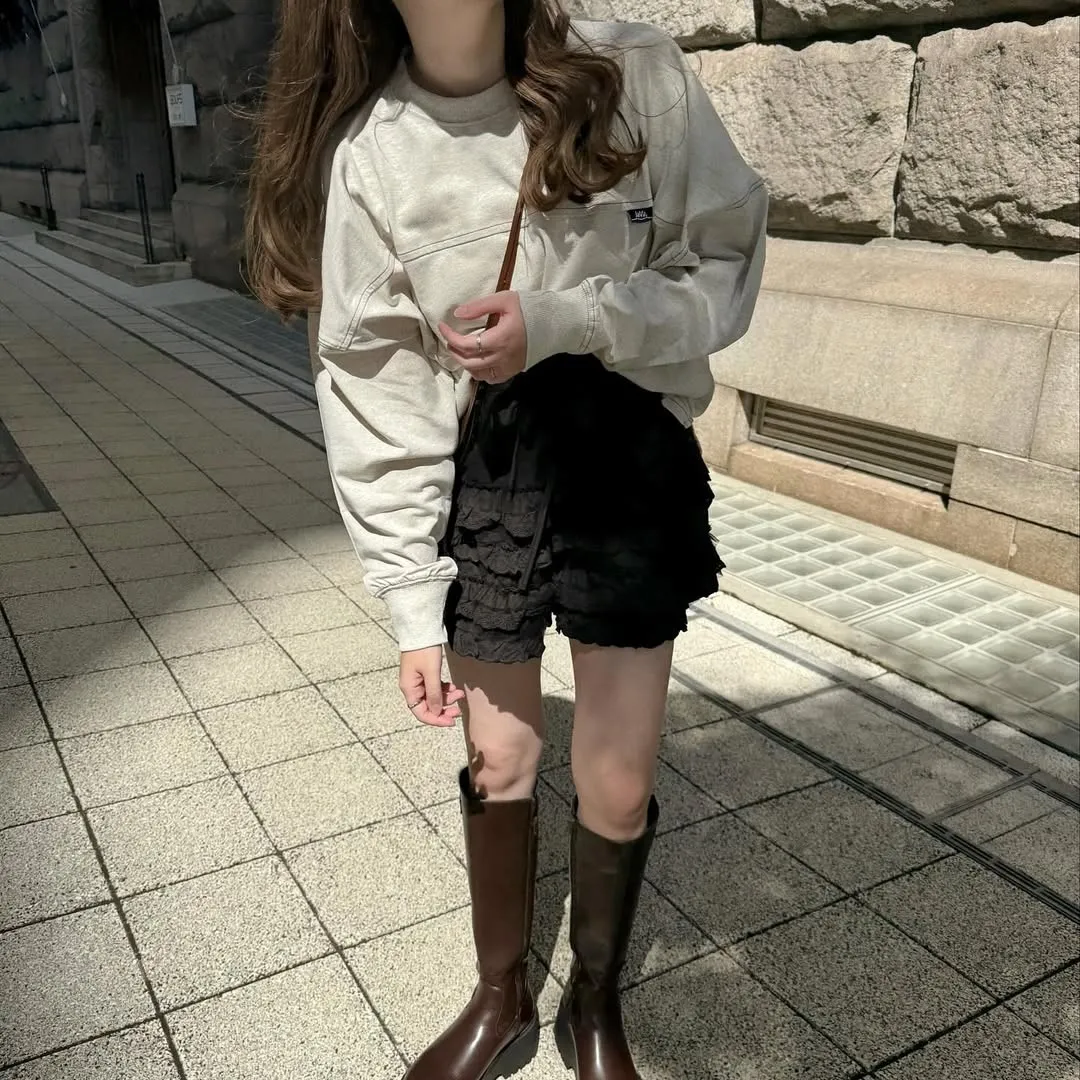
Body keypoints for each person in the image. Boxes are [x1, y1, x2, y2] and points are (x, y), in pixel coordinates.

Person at [246, 1, 767, 1076]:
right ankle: (502, 997)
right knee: (500, 755)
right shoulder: (374, 154)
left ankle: (594, 1003)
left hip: (628, 460)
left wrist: (569, 320)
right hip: (490, 472)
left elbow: (725, 267)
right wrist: (409, 604)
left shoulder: (631, 72)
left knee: (617, 775)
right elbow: (377, 395)